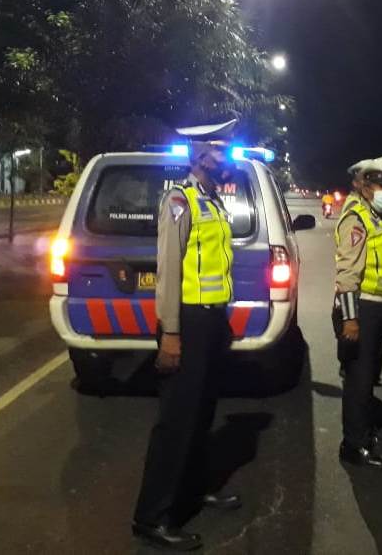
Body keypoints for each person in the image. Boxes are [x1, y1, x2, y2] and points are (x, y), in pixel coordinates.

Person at [133, 120, 242, 551]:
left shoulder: (212, 201)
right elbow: (169, 272)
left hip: (211, 322)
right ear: (199, 155)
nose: (226, 157)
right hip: (188, 323)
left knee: (201, 413)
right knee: (176, 421)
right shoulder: (179, 201)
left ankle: (194, 490)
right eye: (220, 149)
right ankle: (151, 517)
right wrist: (171, 333)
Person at [333, 156, 382, 469]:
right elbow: (348, 272)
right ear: (362, 185)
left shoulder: (377, 217)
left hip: (377, 308)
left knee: (368, 377)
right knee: (358, 382)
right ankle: (353, 445)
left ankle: (364, 432)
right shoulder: (357, 218)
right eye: (380, 184)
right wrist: (350, 319)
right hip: (360, 309)